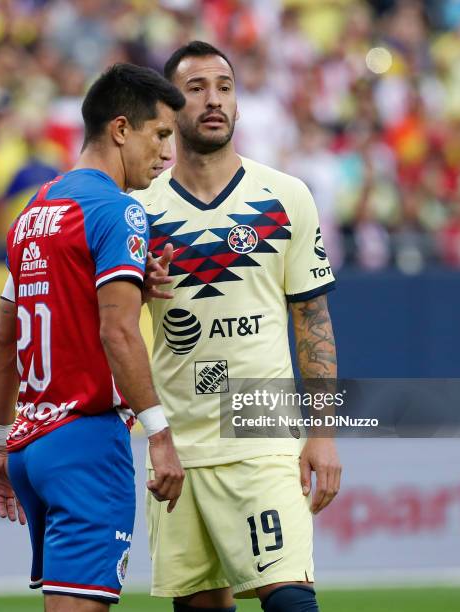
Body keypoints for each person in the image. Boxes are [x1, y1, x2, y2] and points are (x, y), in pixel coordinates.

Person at [134, 42, 342, 612]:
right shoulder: (139, 209)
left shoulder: (285, 196)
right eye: (196, 88)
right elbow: (115, 327)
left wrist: (322, 435)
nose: (213, 100)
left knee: (289, 598)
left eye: (224, 87)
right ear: (169, 107)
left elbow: (313, 320)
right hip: (176, 438)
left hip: (261, 426)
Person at [0, 63, 185, 612]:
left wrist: (0, 442)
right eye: (160, 134)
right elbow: (116, 331)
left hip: (31, 443)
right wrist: (159, 434)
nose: (168, 153)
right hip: (86, 442)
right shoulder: (120, 210)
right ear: (121, 129)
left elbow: (4, 343)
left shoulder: (34, 212)